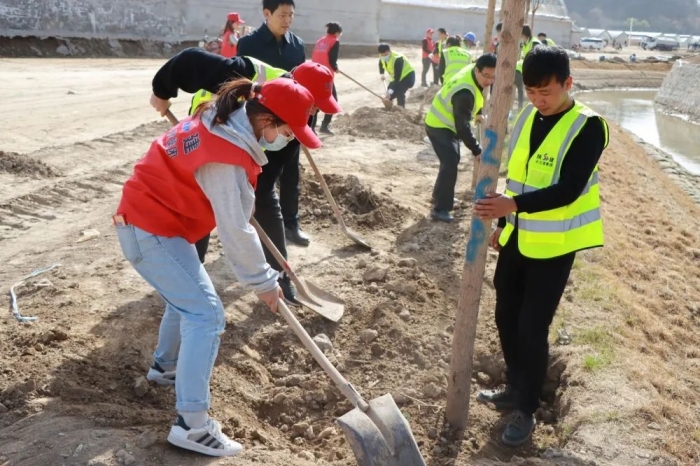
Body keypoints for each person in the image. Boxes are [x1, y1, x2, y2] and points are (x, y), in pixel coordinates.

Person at [115, 77, 322, 457]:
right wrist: (264, 282)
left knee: (189, 298)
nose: (288, 139)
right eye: (287, 132)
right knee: (207, 314)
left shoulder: (222, 118)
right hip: (148, 229)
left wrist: (239, 198)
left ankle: (165, 368)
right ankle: (192, 427)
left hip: (157, 224)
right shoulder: (225, 154)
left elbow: (230, 206)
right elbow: (235, 230)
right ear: (266, 121)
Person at [474, 46, 609, 447]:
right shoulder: (528, 115)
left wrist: (512, 206)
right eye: (531, 92)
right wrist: (505, 223)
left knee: (532, 328)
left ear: (568, 83)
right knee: (505, 316)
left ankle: (527, 408)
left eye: (546, 92)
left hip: (554, 245)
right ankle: (515, 387)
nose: (537, 100)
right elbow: (519, 176)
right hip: (519, 237)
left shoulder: (588, 127)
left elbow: (568, 189)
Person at [149, 48, 341, 300]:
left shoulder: (300, 119)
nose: (313, 112)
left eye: (317, 107)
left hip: (247, 143)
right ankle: (190, 275)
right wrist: (162, 91)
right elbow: (189, 61)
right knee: (203, 200)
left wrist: (250, 191)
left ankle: (280, 276)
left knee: (263, 199)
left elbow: (267, 179)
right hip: (207, 134)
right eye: (313, 104)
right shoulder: (245, 74)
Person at [236, 0, 310, 253]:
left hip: (289, 124)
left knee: (291, 174)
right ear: (267, 13)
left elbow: (301, 85)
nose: (287, 20)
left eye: (291, 15)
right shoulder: (249, 44)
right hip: (262, 124)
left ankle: (291, 223)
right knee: (261, 178)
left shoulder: (297, 45)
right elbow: (242, 83)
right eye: (282, 15)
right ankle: (255, 227)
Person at [424, 54, 497, 223]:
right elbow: (462, 127)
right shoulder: (465, 93)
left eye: (493, 76)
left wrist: (478, 112)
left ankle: (440, 196)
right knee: (450, 161)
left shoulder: (472, 71)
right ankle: (440, 209)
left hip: (445, 124)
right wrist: (476, 149)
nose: (490, 81)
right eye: (486, 76)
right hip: (439, 125)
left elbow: (477, 94)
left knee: (450, 161)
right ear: (477, 70)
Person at [311, 21, 343, 135]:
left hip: (314, 73)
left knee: (315, 102)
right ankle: (324, 126)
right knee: (333, 101)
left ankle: (312, 128)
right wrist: (335, 68)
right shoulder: (334, 41)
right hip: (325, 75)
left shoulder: (320, 41)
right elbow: (332, 59)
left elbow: (314, 56)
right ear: (337, 32)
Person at [378, 43, 416, 108]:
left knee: (399, 92)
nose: (384, 56)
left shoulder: (398, 58)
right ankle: (389, 108)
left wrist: (390, 92)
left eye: (385, 54)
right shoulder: (382, 56)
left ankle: (401, 109)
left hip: (408, 76)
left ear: (389, 51)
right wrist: (382, 74)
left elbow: (397, 79)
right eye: (382, 55)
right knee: (389, 94)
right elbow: (381, 63)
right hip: (397, 77)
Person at [515, 25, 541, 111]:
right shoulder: (523, 43)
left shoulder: (535, 43)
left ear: (523, 34)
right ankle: (523, 107)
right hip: (526, 69)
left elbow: (538, 59)